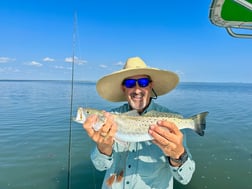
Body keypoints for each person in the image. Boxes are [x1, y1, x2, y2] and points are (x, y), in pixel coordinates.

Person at [83, 57, 195, 189]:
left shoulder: (169, 122)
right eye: (130, 83)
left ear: (150, 85)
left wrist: (178, 156)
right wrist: (104, 147)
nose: (137, 90)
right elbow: (100, 166)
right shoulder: (110, 119)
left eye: (143, 82)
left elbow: (185, 178)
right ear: (123, 88)